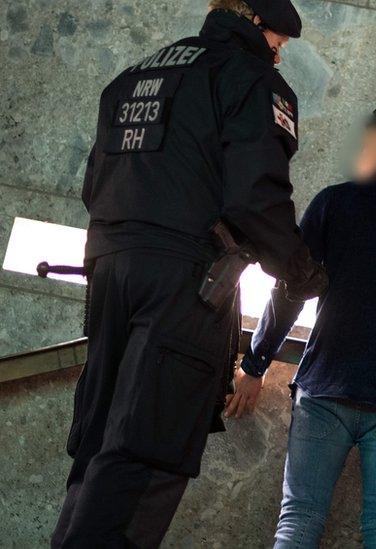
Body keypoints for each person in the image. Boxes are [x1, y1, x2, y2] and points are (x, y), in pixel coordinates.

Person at [51, 1, 328, 546]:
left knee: (101, 441)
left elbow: (94, 187)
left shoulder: (135, 75)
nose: (279, 54)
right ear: (254, 21)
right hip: (185, 283)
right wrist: (302, 272)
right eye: (279, 41)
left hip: (110, 271)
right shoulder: (250, 80)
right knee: (147, 448)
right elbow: (256, 197)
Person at [229, 98, 376, 549]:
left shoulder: (335, 202)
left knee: (298, 522)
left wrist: (257, 363)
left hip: (324, 387)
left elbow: (290, 290)